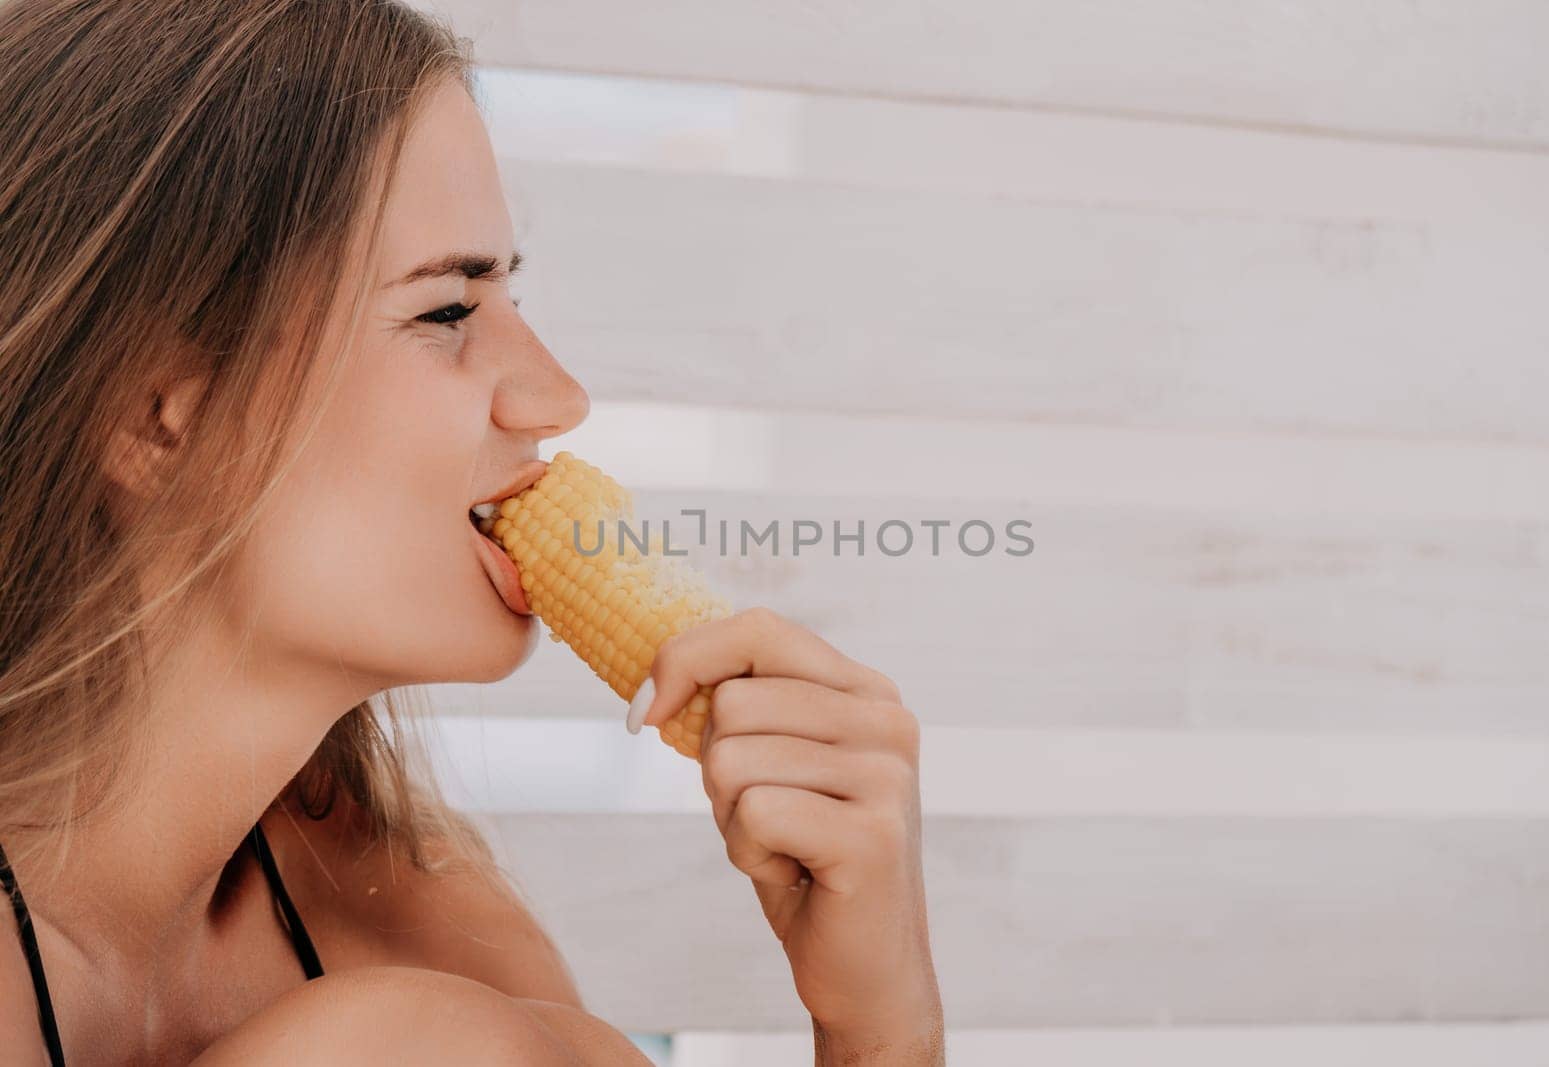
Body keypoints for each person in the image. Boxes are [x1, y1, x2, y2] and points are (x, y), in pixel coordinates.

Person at [0, 1, 943, 1063]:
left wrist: (878, 1022)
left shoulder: (433, 925)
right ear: (153, 413)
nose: (557, 397)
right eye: (447, 310)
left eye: (509, 297)